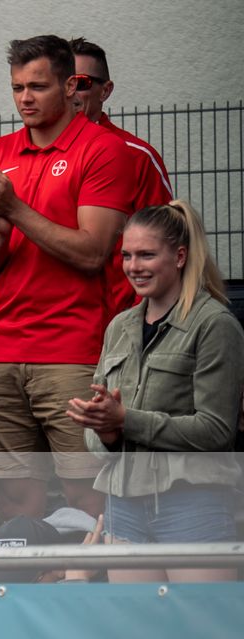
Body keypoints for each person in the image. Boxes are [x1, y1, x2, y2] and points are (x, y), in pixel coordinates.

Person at [0, 34, 133, 522]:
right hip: (1, 351)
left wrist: (14, 210)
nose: (25, 98)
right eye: (17, 87)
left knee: (87, 491)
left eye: (37, 86)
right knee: (14, 498)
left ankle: (95, 589)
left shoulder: (102, 149)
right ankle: (29, 591)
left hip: (72, 350)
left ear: (70, 85)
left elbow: (93, 251)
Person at [67, 201, 244, 582]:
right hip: (123, 505)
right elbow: (98, 437)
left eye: (146, 255)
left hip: (193, 503)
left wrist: (126, 421)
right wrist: (106, 433)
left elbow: (216, 431)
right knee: (138, 637)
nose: (133, 266)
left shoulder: (215, 324)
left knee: (203, 635)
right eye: (127, 255)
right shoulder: (118, 326)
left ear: (179, 256)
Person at [69, 37, 174, 320]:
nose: (72, 93)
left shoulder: (137, 156)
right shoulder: (33, 156)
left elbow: (165, 242)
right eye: (64, 82)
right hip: (55, 329)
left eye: (81, 82)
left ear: (106, 90)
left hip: (117, 320)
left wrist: (142, 319)